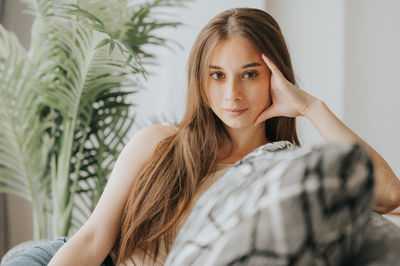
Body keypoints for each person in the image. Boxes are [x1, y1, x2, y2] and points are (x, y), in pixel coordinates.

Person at [5, 7, 400, 266]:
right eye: (217, 75)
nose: (232, 94)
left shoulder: (284, 172)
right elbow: (93, 238)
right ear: (200, 80)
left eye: (249, 74)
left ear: (275, 77)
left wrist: (311, 108)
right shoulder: (160, 142)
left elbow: (390, 197)